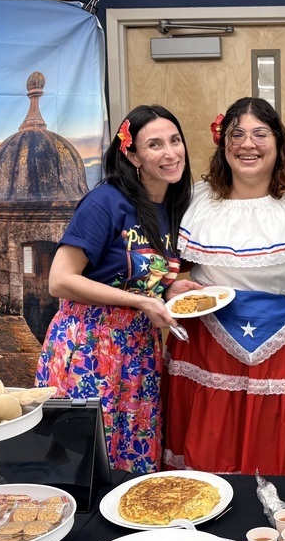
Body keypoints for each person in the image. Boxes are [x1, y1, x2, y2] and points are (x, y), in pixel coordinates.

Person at [164, 96, 285, 474]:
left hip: (284, 339)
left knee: (279, 437)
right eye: (236, 134)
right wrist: (168, 285)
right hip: (206, 339)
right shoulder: (196, 199)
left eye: (259, 133)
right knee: (212, 437)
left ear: (278, 141)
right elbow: (161, 260)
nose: (247, 144)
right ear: (224, 145)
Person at [35, 104, 198, 473]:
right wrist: (141, 301)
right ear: (132, 154)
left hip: (139, 350)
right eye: (155, 145)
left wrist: (170, 290)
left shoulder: (171, 205)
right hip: (89, 347)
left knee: (133, 463)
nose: (170, 153)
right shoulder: (106, 201)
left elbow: (139, 276)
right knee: (86, 465)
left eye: (175, 141)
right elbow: (60, 279)